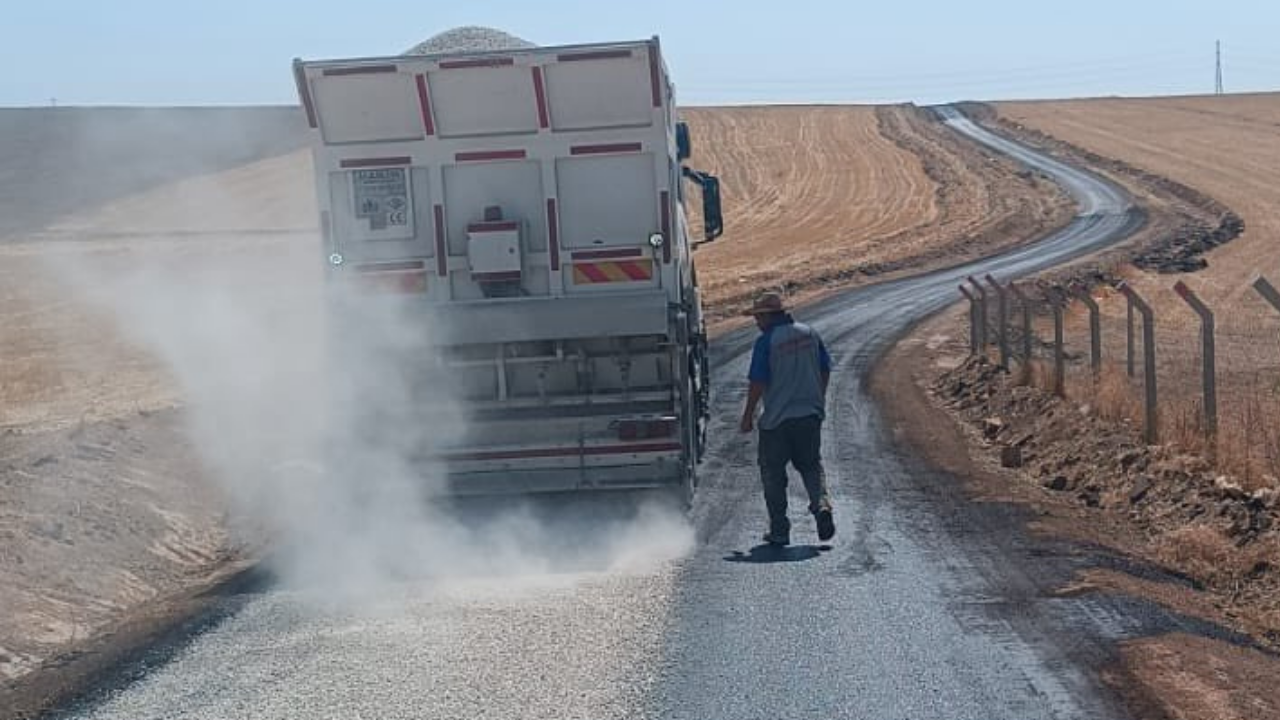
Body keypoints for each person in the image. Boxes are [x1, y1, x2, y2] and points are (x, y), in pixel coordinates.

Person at [739, 292, 835, 546]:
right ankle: (821, 506)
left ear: (768, 316)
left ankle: (780, 529)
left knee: (772, 473)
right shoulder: (809, 334)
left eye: (758, 317)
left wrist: (748, 416)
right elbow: (825, 369)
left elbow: (758, 382)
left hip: (776, 422)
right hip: (809, 415)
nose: (756, 322)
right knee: (811, 466)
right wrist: (819, 399)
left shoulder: (766, 342)